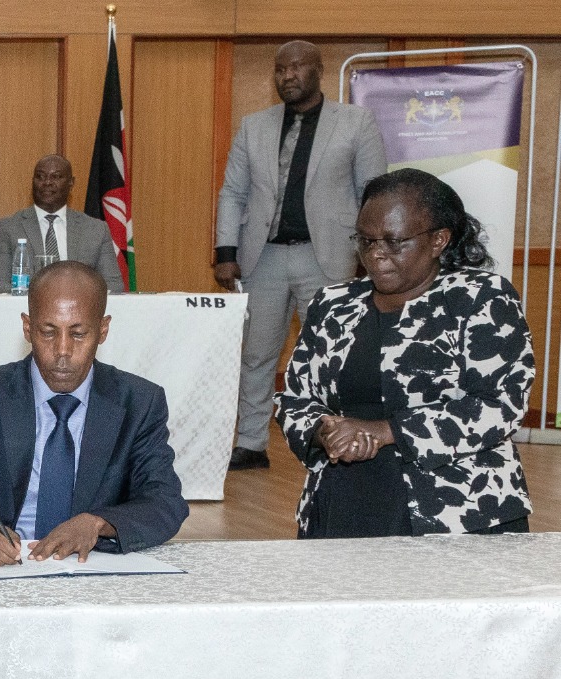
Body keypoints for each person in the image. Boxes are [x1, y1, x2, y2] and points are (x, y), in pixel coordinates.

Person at [277, 169, 534, 537]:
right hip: (343, 502)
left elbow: (500, 405)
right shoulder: (333, 304)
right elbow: (295, 399)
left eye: (394, 241)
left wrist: (384, 431)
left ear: (438, 240)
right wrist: (325, 431)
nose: (376, 254)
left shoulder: (481, 297)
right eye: (365, 241)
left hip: (460, 509)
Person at [0, 260, 187, 566]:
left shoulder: (140, 402)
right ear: (27, 327)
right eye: (48, 332)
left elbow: (164, 501)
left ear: (103, 330)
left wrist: (98, 523)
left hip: (93, 568)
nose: (62, 350)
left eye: (78, 334)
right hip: (8, 570)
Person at [215, 40, 387, 470]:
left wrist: (369, 258)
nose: (287, 76)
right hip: (263, 259)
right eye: (280, 70)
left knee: (329, 356)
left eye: (296, 68)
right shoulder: (254, 126)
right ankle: (251, 443)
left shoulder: (356, 122)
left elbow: (374, 193)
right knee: (256, 355)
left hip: (328, 257)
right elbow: (233, 193)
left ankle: (334, 437)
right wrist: (225, 250)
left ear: (319, 70)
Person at [0, 154, 125, 293]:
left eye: (56, 177)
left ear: (71, 183)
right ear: (32, 181)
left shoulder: (96, 230)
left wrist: (72, 298)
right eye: (40, 176)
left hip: (79, 312)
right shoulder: (6, 229)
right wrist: (44, 299)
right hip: (27, 312)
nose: (47, 182)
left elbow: (113, 285)